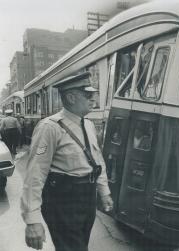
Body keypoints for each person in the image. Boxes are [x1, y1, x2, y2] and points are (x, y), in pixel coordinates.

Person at [20, 71, 113, 251]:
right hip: (62, 199)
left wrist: (104, 191)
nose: (93, 99)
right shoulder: (50, 127)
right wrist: (32, 220)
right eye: (88, 95)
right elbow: (35, 174)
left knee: (79, 245)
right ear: (71, 97)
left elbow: (96, 161)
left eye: (93, 95)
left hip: (87, 197)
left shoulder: (88, 124)